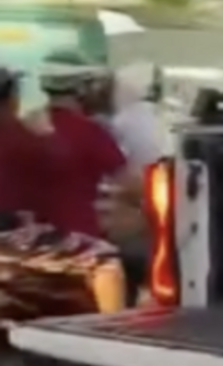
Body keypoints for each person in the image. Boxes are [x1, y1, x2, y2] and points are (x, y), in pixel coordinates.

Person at [38, 52, 141, 238]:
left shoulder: (26, 125)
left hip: (31, 238)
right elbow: (131, 184)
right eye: (91, 84)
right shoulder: (89, 132)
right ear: (80, 89)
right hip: (79, 238)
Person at [0, 67, 71, 225]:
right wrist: (47, 135)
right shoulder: (26, 136)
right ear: (12, 100)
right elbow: (64, 172)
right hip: (18, 227)